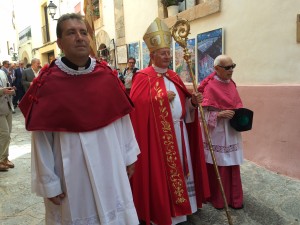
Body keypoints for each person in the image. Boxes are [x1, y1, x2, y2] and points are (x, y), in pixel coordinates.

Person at [18, 13, 140, 225]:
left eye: (83, 32)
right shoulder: (47, 83)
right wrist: (49, 183)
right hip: (71, 174)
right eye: (71, 33)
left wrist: (129, 156)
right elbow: (41, 139)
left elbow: (122, 120)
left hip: (111, 164)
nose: (80, 37)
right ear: (59, 43)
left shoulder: (106, 76)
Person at [129, 18, 210, 225]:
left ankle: (186, 207)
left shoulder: (174, 75)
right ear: (152, 55)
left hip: (180, 131)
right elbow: (136, 107)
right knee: (162, 174)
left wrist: (192, 101)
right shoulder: (142, 77)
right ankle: (164, 210)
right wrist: (159, 100)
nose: (167, 56)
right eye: (162, 53)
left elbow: (184, 106)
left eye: (168, 53)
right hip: (158, 137)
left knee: (184, 169)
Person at [197, 54, 244, 209]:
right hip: (216, 131)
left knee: (233, 163)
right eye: (227, 67)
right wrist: (218, 114)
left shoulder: (231, 83)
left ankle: (235, 198)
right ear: (217, 69)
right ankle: (220, 199)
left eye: (233, 66)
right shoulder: (209, 87)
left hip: (231, 130)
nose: (231, 70)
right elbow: (200, 114)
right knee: (221, 165)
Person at [0, 69, 15, 171]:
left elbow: (7, 84)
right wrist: (2, 90)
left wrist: (11, 90)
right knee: (4, 134)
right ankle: (1, 160)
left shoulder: (2, 72)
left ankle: (5, 158)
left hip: (7, 106)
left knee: (8, 134)